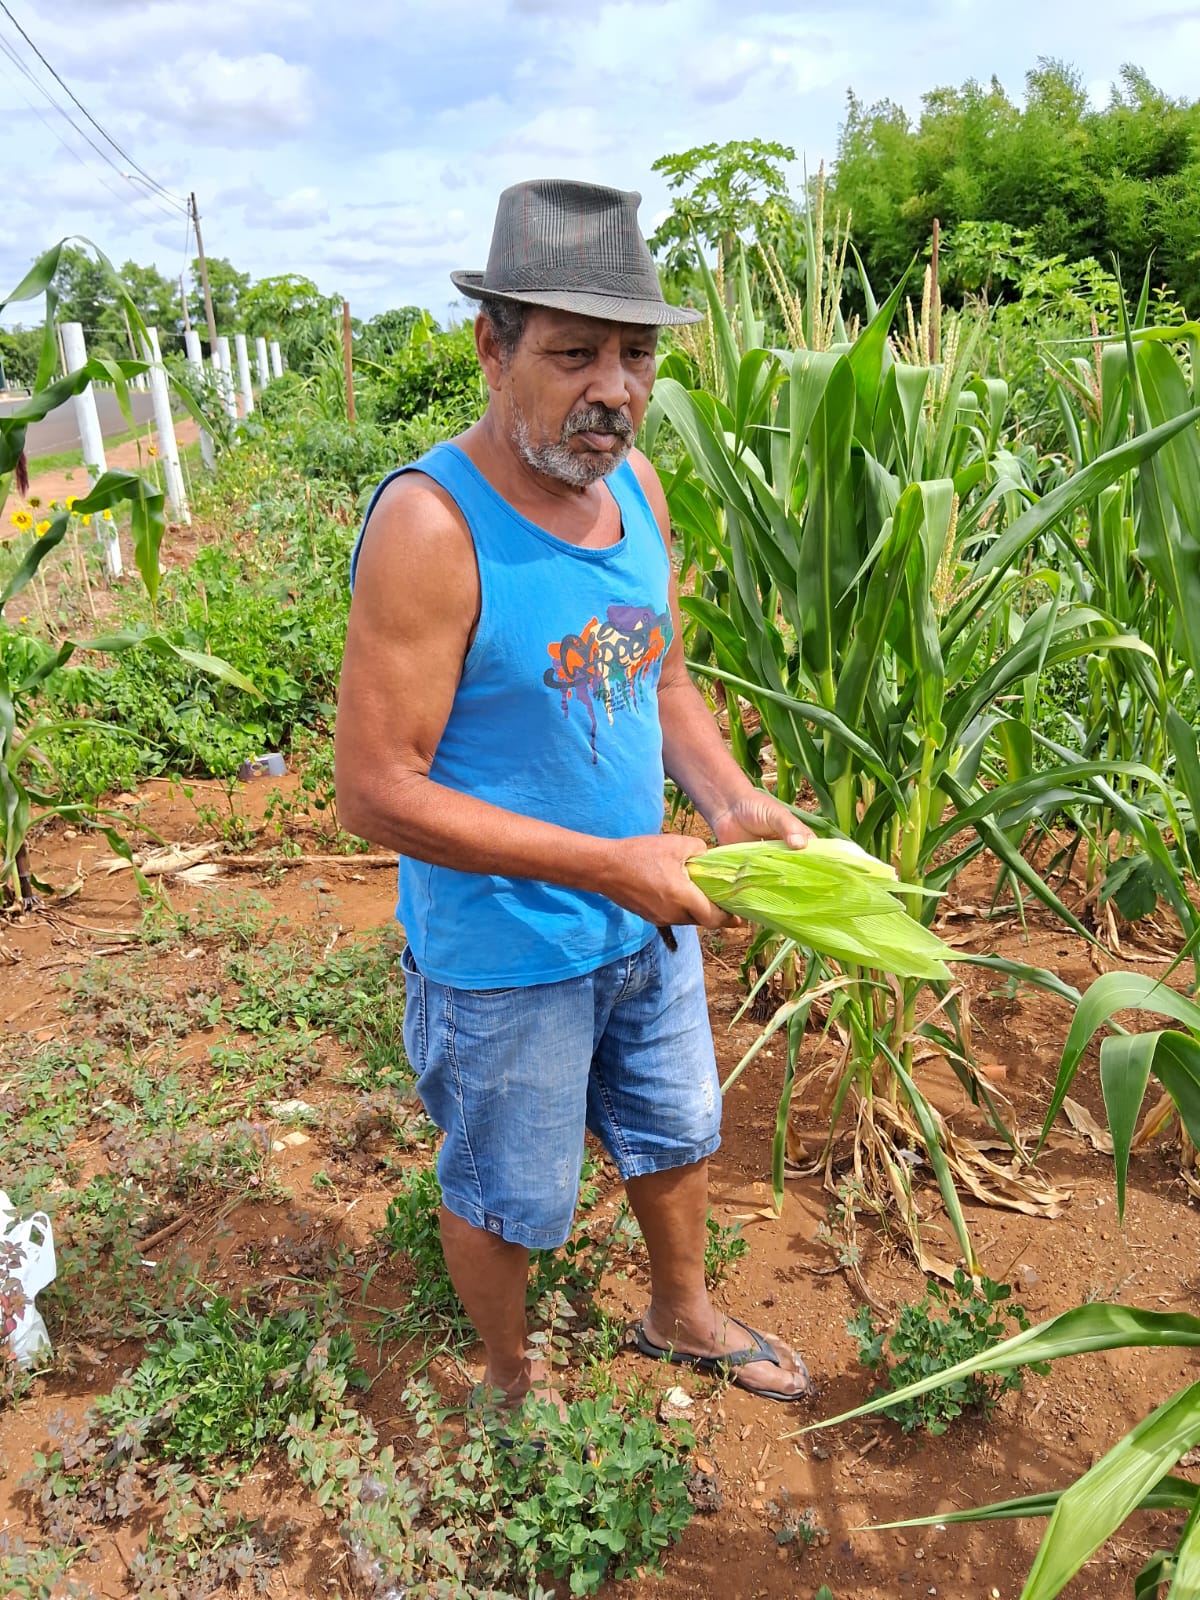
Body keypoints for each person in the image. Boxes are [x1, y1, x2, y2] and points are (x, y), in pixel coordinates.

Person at [335, 178, 812, 1408]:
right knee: (510, 1193)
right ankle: (508, 1376)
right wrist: (610, 864)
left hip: (643, 919)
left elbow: (659, 675)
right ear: (491, 348)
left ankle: (682, 1312)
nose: (615, 388)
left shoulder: (636, 489)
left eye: (636, 355)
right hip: (506, 955)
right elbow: (374, 791)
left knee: (677, 1130)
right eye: (573, 353)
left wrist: (727, 798)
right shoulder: (434, 526)